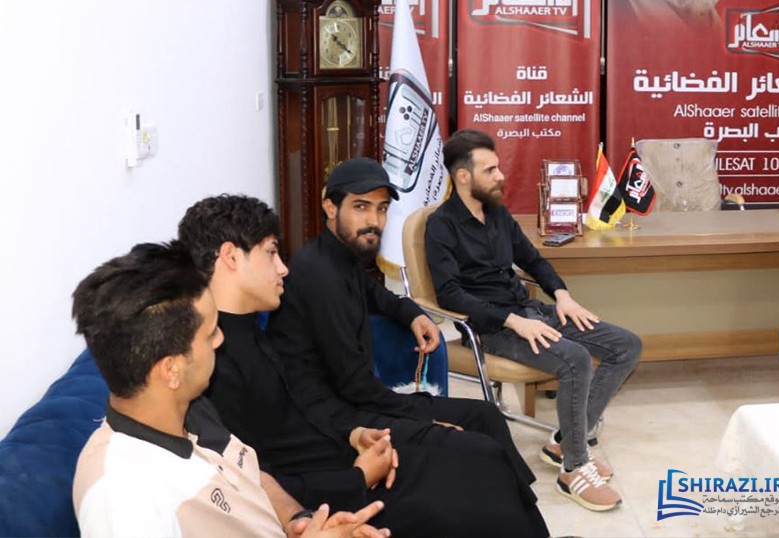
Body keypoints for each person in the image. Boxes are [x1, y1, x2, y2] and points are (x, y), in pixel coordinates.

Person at [177, 194, 550, 537]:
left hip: (346, 450)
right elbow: (253, 482)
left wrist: (355, 435)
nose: (283, 268)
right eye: (272, 253)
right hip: (331, 491)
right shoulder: (210, 362)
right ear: (230, 257)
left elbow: (305, 407)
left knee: (482, 453)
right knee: (473, 483)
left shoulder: (251, 329)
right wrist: (357, 477)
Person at [71, 242, 388, 538]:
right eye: (210, 334)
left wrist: (299, 521)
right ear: (171, 370)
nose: (221, 340)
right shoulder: (121, 499)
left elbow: (250, 474)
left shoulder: (191, 408)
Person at [265, 158, 535, 488]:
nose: (373, 221)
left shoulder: (341, 254)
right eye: (360, 207)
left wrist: (413, 314)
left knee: (486, 414)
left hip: (358, 398)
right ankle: (513, 500)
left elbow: (375, 294)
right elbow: (353, 384)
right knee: (472, 444)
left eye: (381, 209)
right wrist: (424, 417)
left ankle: (521, 499)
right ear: (330, 208)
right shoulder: (319, 276)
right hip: (336, 417)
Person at [425, 129, 642, 512]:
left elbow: (532, 259)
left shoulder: (497, 213)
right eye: (490, 170)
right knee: (575, 360)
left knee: (626, 346)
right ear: (463, 176)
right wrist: (512, 321)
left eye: (498, 167)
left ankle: (564, 443)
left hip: (533, 312)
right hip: (492, 328)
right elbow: (450, 295)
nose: (500, 176)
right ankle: (574, 468)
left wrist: (562, 295)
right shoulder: (441, 225)